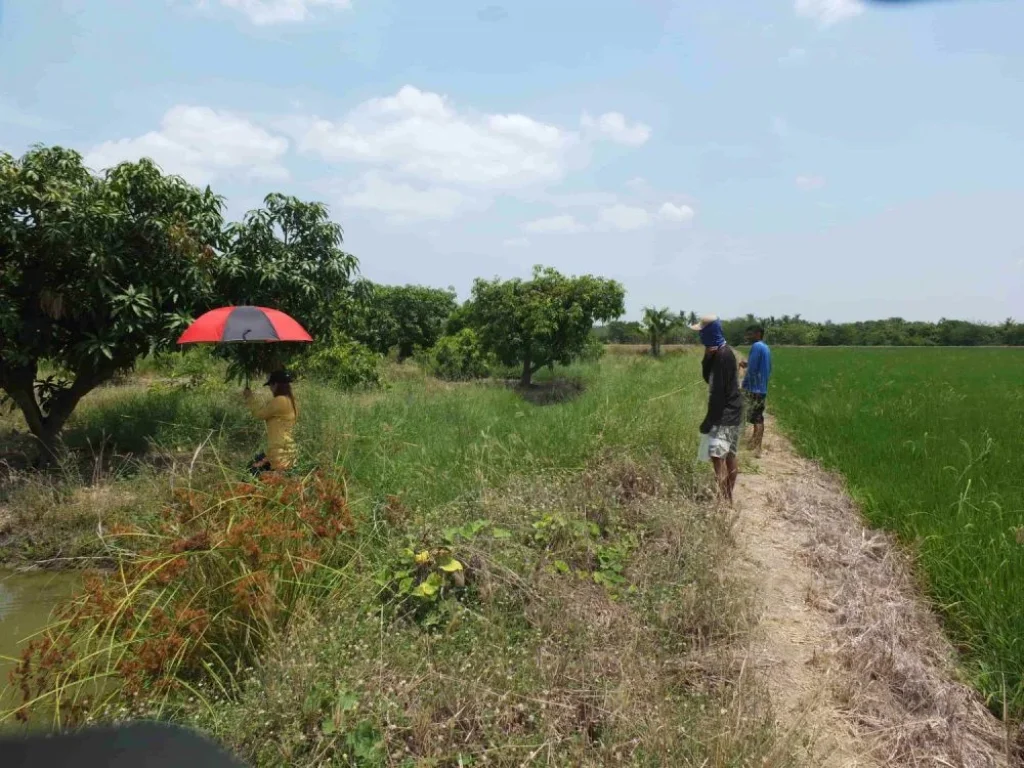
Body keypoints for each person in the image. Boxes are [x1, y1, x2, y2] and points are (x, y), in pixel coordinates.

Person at [690, 315, 744, 502]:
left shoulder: (722, 356)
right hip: (733, 411)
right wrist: (707, 357)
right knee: (729, 456)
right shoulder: (720, 352)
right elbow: (708, 378)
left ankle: (723, 502)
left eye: (702, 332)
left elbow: (718, 395)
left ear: (709, 332)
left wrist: (708, 421)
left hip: (725, 414)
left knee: (717, 457)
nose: (700, 336)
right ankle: (727, 499)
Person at [243, 369, 298, 477]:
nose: (270, 389)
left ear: (276, 384)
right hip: (287, 450)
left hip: (279, 452)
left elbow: (259, 414)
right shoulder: (292, 401)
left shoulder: (280, 400)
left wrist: (249, 397)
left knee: (251, 475)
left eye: (270, 385)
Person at [742, 324, 772, 458]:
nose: (749, 336)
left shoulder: (756, 346)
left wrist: (745, 385)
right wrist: (746, 364)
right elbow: (764, 367)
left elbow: (752, 369)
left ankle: (757, 448)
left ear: (758, 334)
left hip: (754, 388)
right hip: (762, 387)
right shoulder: (765, 348)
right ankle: (754, 442)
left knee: (757, 418)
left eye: (751, 333)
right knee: (757, 416)